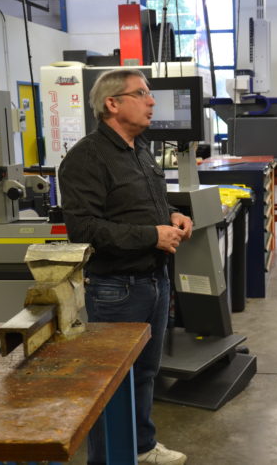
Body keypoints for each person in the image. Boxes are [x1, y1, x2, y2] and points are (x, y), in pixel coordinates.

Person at [59, 68, 191, 465]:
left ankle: (141, 447)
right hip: (117, 288)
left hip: (154, 280)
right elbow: (84, 229)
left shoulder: (140, 148)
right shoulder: (86, 158)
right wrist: (152, 236)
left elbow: (138, 207)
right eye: (142, 94)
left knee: (146, 373)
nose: (152, 102)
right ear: (112, 104)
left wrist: (172, 215)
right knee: (112, 384)